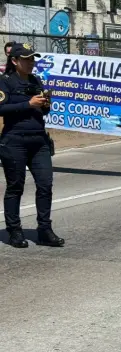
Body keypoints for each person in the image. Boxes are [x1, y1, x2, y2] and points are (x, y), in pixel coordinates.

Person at [0, 43, 64, 248]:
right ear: (15, 61)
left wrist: (45, 105)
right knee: (15, 186)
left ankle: (44, 229)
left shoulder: (36, 81)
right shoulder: (5, 82)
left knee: (45, 185)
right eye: (26, 59)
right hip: (14, 141)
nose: (31, 63)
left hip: (38, 141)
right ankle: (14, 230)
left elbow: (41, 112)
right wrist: (28, 104)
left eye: (32, 59)